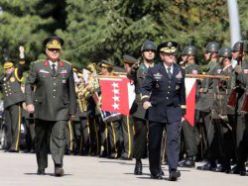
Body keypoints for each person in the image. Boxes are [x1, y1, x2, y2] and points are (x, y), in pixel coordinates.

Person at [25, 36, 76, 176]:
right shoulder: (37, 65)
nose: (54, 52)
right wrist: (29, 102)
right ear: (46, 50)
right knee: (40, 139)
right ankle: (41, 165)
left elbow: (71, 90)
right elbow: (28, 84)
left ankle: (58, 165)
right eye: (51, 49)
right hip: (41, 108)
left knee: (59, 136)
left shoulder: (67, 67)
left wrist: (72, 111)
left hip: (61, 109)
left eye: (57, 49)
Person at [141, 41, 186, 181]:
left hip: (173, 110)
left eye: (172, 53)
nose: (171, 56)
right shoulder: (154, 70)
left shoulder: (179, 70)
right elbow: (145, 88)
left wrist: (182, 111)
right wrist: (145, 100)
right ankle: (155, 170)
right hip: (156, 110)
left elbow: (182, 93)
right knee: (155, 142)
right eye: (168, 54)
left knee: (173, 139)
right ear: (162, 56)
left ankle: (173, 169)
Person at [127, 40, 157, 175]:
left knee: (155, 137)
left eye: (152, 51)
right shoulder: (138, 67)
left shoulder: (159, 68)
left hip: (154, 104)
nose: (150, 53)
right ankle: (138, 161)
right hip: (140, 105)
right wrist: (132, 69)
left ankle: (154, 165)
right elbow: (129, 77)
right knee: (140, 135)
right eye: (147, 50)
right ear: (143, 52)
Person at [0, 46, 26, 152]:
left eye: (9, 68)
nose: (7, 70)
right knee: (8, 125)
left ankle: (15, 146)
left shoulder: (16, 73)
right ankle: (10, 145)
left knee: (16, 125)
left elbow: (22, 65)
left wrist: (21, 53)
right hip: (7, 103)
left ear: (12, 67)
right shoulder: (2, 78)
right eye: (6, 69)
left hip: (16, 102)